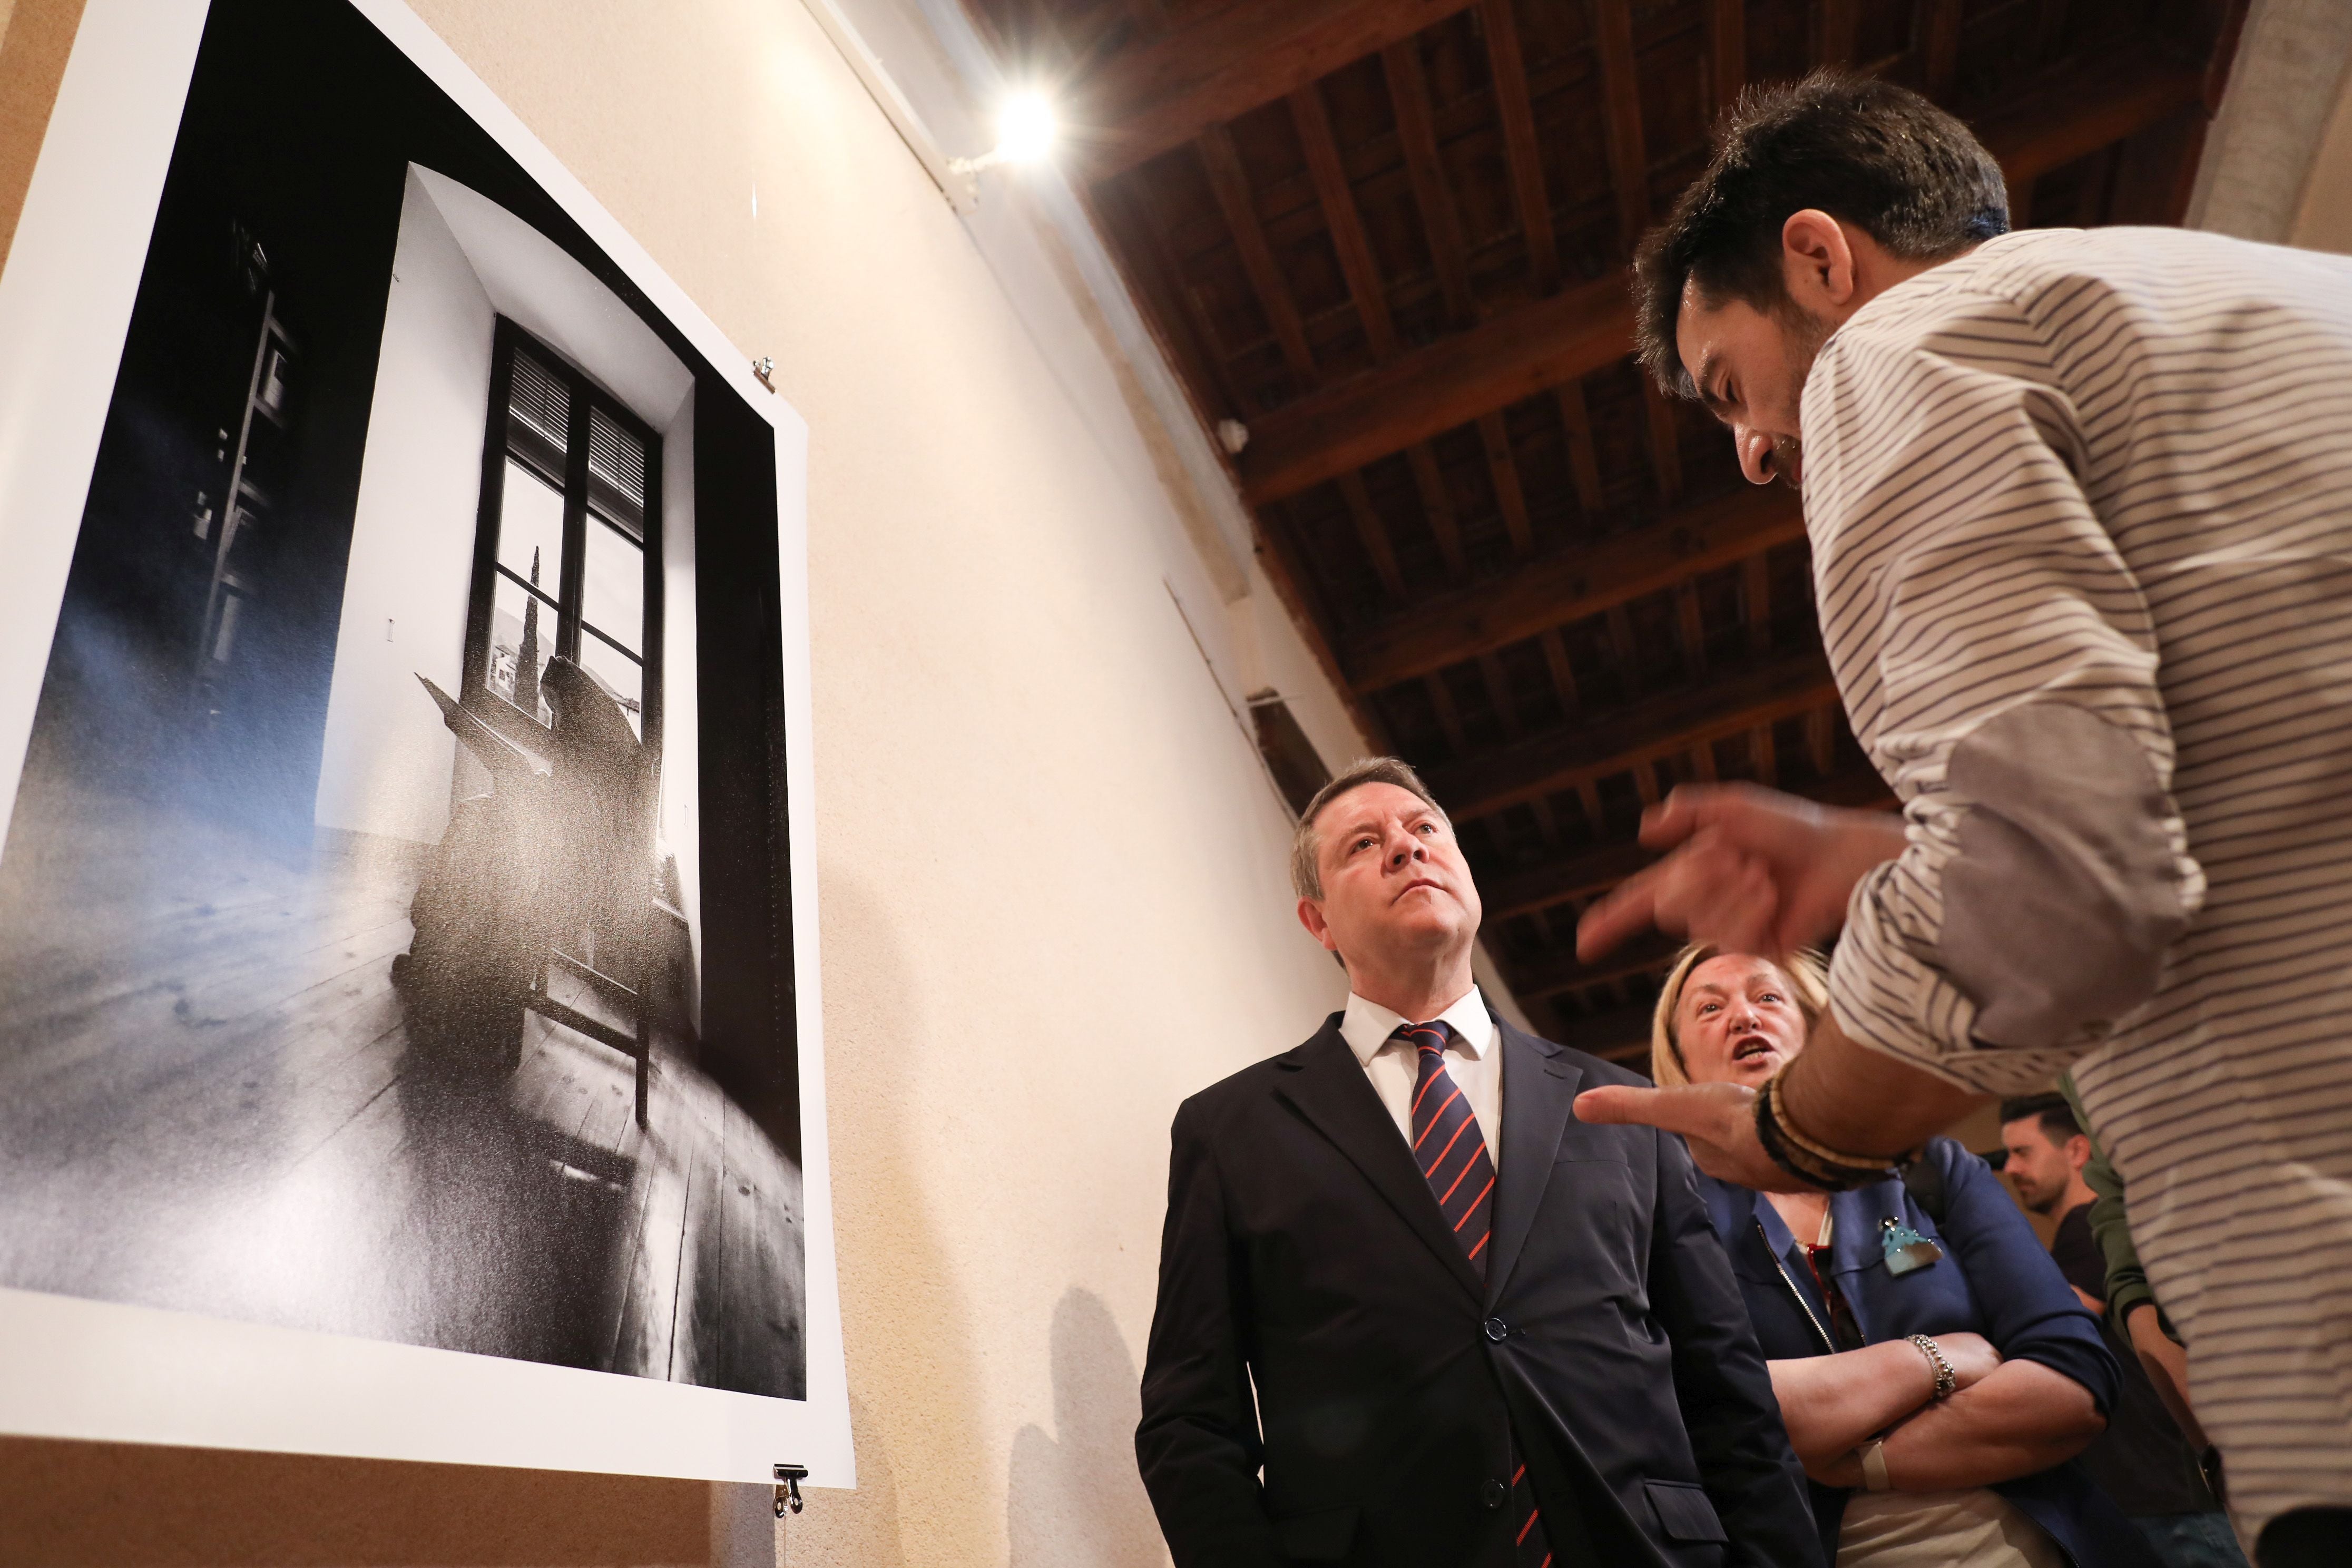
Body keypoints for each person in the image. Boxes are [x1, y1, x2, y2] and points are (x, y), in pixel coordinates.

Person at [1563, 69, 2352, 1564]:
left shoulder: (1899, 349)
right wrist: (1884, 856)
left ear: (1816, 257)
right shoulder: (2273, 300)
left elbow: (2067, 894)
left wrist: (1803, 1128)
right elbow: (2248, 761)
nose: (1748, 452)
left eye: (1730, 384)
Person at [1135, 758, 1822, 1567]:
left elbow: (1728, 1390)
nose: (1406, 848)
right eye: (1364, 844)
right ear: (1317, 921)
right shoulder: (1233, 1128)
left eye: (1426, 830)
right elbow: (1191, 1421)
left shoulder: (1625, 1108)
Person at [1659, 944, 2147, 1568]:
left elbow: (2076, 1382)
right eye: (1709, 1008)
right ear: (1679, 1062)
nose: (1745, 1017)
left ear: (1816, 1028)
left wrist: (1857, 1459)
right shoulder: (1670, 1215)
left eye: (1768, 996)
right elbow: (1706, 1413)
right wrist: (1934, 1358)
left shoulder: (1929, 1168)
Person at [2000, 1096, 2245, 1568]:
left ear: (2076, 1151)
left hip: (2176, 1499)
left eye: (2022, 1152)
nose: (2009, 1168)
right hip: (2155, 1496)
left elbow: (2043, 1336)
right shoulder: (2076, 1238)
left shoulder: (2094, 1234)